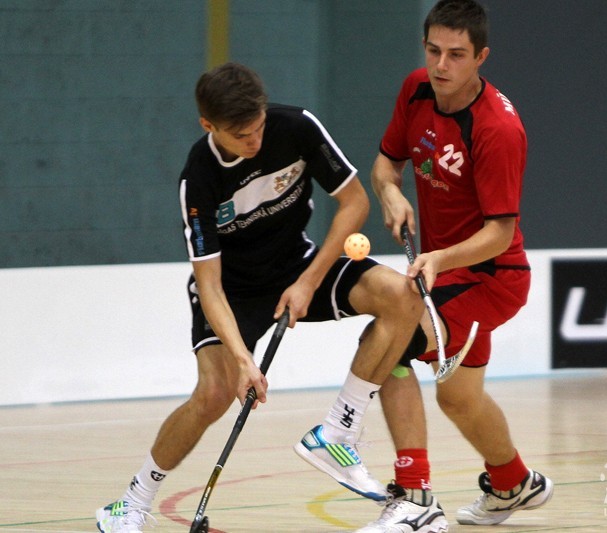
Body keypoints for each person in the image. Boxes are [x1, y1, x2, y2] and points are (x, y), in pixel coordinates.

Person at [95, 62, 423, 532]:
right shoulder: (199, 178)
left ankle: (337, 430)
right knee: (214, 394)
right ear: (208, 125)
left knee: (401, 295)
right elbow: (209, 285)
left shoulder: (297, 127)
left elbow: (355, 202)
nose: (254, 141)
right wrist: (243, 361)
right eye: (241, 135)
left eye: (259, 127)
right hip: (232, 290)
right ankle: (131, 502)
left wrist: (308, 281)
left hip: (297, 266)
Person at [361, 0, 554, 530]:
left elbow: (501, 233)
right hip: (442, 274)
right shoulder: (416, 90)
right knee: (459, 399)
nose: (441, 65)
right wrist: (390, 193)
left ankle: (415, 496)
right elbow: (386, 162)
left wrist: (440, 257)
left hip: (490, 277)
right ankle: (513, 483)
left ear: (481, 57)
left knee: (391, 340)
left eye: (456, 55)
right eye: (433, 51)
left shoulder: (497, 129)